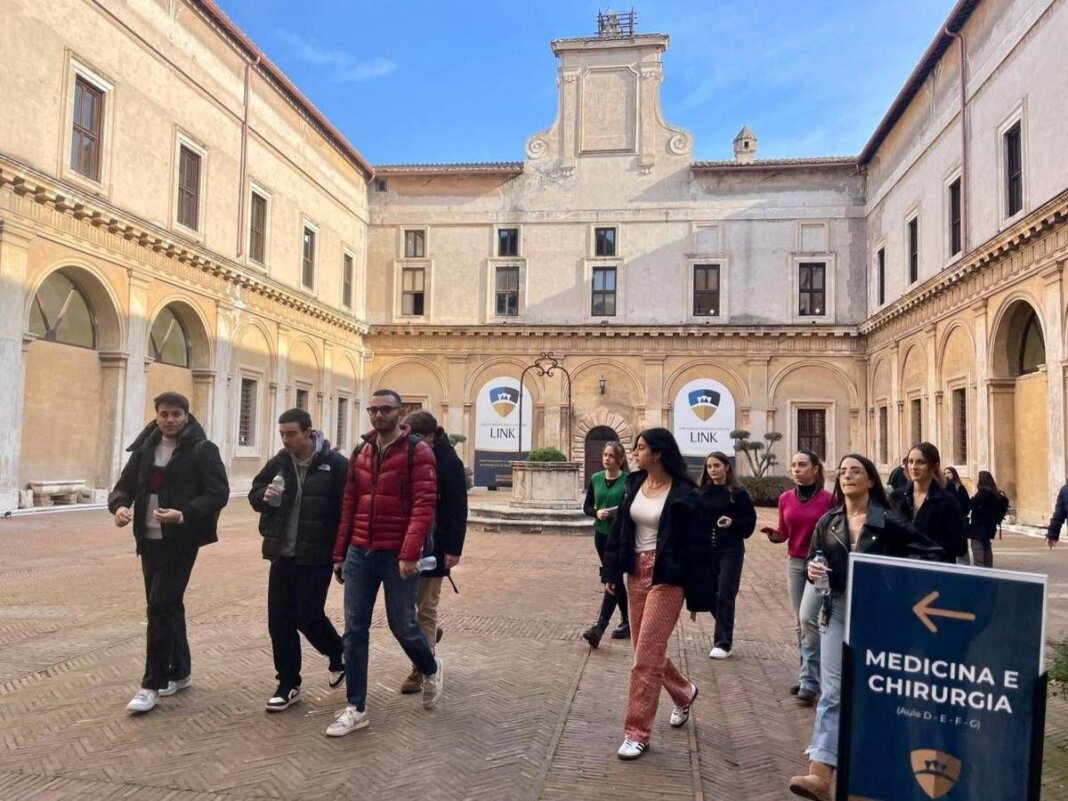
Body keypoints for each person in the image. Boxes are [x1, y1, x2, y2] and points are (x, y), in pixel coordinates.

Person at [788, 454, 941, 800]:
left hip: (878, 613)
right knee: (832, 691)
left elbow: (932, 553)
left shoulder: (889, 521)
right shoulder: (829, 521)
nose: (847, 476)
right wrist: (813, 570)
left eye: (856, 471)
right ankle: (820, 775)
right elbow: (814, 559)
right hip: (837, 607)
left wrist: (896, 578)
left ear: (871, 480)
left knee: (874, 693)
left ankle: (870, 777)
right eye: (843, 471)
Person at [326, 389, 443, 737]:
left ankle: (430, 666)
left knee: (402, 624)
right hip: (360, 551)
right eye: (373, 410)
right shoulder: (361, 451)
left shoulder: (418, 452)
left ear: (400, 412)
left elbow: (424, 505)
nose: (378, 415)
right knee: (354, 629)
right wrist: (340, 553)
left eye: (386, 409)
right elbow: (349, 504)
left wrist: (409, 552)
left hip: (396, 554)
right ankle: (356, 707)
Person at [108, 392, 229, 714]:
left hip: (180, 541)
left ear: (186, 416)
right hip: (148, 539)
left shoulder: (202, 450)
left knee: (159, 606)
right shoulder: (145, 448)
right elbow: (124, 487)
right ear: (157, 416)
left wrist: (184, 513)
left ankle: (152, 684)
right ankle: (180, 671)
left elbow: (218, 493)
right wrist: (120, 507)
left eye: (176, 414)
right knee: (167, 605)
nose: (170, 420)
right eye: (164, 414)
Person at [603, 428, 712, 761]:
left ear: (659, 453)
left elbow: (698, 547)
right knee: (645, 651)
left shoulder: (685, 494)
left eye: (641, 447)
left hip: (667, 576)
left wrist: (696, 596)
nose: (635, 452)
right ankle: (684, 692)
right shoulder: (634, 483)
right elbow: (621, 529)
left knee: (645, 657)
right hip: (636, 572)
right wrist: (611, 572)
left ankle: (636, 733)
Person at [248, 408, 347, 712]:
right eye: (282, 434)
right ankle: (288, 684)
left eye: (291, 434)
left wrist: (342, 554)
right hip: (282, 553)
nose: (286, 440)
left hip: (317, 555)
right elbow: (255, 493)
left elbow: (347, 510)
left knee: (307, 614)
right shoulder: (280, 461)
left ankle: (339, 652)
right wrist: (263, 496)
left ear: (308, 432)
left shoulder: (335, 464)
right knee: (279, 622)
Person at [399, 411, 468, 694]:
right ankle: (427, 637)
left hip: (436, 546)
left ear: (429, 436)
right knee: (403, 610)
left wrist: (453, 549)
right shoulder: (406, 454)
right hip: (405, 545)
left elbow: (457, 507)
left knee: (426, 608)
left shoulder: (449, 462)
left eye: (415, 437)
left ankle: (421, 665)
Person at [765, 450, 834, 705]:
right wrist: (775, 536)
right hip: (795, 563)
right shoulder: (785, 498)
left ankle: (809, 681)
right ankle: (808, 675)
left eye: (802, 465)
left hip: (819, 563)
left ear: (815, 469)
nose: (796, 469)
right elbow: (784, 532)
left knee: (808, 618)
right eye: (793, 465)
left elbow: (835, 531)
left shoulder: (829, 499)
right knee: (799, 622)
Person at [697, 451, 756, 659]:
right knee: (708, 592)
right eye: (709, 466)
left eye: (716, 466)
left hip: (731, 549)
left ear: (727, 467)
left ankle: (723, 643)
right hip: (707, 549)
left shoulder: (737, 493)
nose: (712, 470)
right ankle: (726, 617)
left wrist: (732, 523)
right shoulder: (702, 493)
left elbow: (749, 523)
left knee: (725, 592)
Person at [581, 441, 630, 648]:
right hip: (601, 535)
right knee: (614, 578)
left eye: (611, 456)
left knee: (612, 578)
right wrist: (596, 512)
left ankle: (599, 627)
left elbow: (630, 508)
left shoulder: (628, 480)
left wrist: (617, 512)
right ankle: (627, 621)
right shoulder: (595, 478)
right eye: (605, 455)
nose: (607, 459)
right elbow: (587, 506)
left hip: (619, 536)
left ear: (620, 459)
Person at [889, 442, 966, 563]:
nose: (914, 467)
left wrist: (925, 548)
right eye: (911, 461)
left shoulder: (948, 502)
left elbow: (960, 546)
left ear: (934, 466)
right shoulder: (896, 497)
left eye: (921, 462)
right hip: (902, 568)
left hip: (934, 569)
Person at [969, 471, 1008, 568]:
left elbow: (972, 504)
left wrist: (972, 499)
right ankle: (988, 569)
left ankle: (979, 570)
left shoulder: (983, 492)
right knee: (986, 546)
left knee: (977, 547)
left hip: (979, 525)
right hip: (990, 525)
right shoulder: (995, 493)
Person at [943, 466, 972, 564]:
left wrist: (960, 513)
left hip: (959, 519)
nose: (947, 475)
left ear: (954, 474)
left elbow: (966, 504)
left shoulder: (960, 487)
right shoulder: (943, 487)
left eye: (949, 473)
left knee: (960, 544)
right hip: (947, 521)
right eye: (945, 473)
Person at [1047, 478, 1068, 549]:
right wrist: (1052, 534)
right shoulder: (1065, 490)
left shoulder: (1065, 490)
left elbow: (1058, 515)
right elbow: (1059, 514)